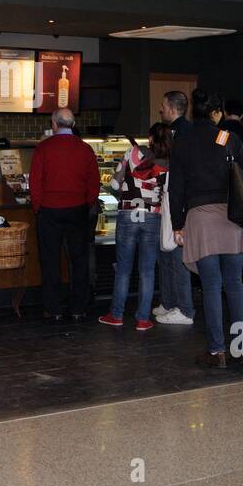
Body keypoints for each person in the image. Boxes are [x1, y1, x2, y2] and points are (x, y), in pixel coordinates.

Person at [169, 97, 243, 369]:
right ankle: (242, 348)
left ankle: (217, 351)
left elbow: (176, 186)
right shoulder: (229, 138)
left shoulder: (184, 141)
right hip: (232, 217)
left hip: (201, 217)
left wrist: (177, 223)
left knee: (211, 286)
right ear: (216, 113)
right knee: (235, 284)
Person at [98, 123, 170, 331]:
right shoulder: (168, 162)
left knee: (123, 269)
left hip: (128, 214)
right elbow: (166, 191)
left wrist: (124, 193)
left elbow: (113, 184)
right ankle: (143, 319)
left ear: (150, 138)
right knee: (147, 270)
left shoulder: (132, 152)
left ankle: (117, 315)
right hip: (152, 216)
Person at [30, 107, 100, 321]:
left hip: (49, 211)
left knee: (50, 260)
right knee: (79, 260)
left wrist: (38, 207)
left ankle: (54, 309)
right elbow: (94, 183)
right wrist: (85, 204)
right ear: (73, 125)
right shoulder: (85, 150)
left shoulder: (43, 148)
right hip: (77, 210)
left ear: (54, 124)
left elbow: (35, 182)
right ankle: (78, 307)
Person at [154, 90, 195, 326]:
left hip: (181, 205)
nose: (160, 109)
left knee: (178, 257)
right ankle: (171, 303)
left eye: (162, 105)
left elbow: (180, 174)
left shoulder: (181, 133)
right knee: (169, 255)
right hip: (179, 203)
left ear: (171, 108)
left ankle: (185, 308)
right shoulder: (181, 131)